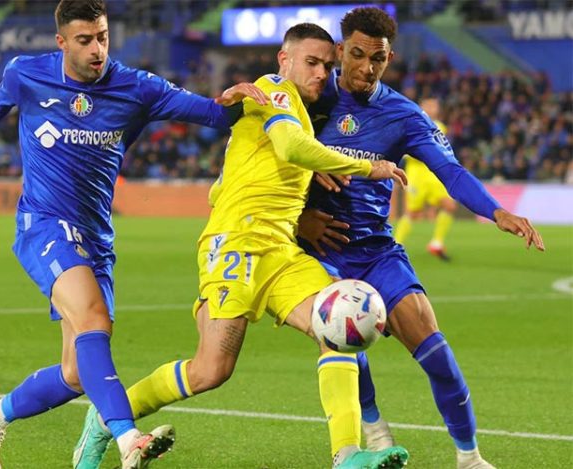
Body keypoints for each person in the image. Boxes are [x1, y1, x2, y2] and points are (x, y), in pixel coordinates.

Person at [0, 1, 268, 468]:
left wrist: (249, 94)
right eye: (84, 40)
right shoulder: (27, 75)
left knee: (78, 373)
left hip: (96, 238)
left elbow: (217, 116)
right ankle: (127, 440)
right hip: (43, 224)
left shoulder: (137, 88)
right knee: (93, 320)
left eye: (102, 37)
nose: (97, 49)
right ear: (61, 42)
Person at [72, 23, 410, 469]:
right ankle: (105, 421)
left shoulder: (305, 113)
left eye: (327, 66)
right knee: (210, 370)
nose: (320, 73)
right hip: (236, 244)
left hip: (281, 252)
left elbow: (293, 153)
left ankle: (347, 454)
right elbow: (291, 148)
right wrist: (368, 167)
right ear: (283, 60)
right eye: (311, 62)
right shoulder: (275, 90)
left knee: (339, 328)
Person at [298, 8, 545, 469]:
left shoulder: (402, 114)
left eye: (379, 59)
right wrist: (299, 222)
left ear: (389, 59)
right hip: (318, 252)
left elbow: (449, 170)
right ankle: (374, 432)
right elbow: (263, 163)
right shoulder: (305, 101)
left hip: (375, 250)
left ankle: (469, 458)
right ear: (338, 51)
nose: (366, 68)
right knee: (342, 336)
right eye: (356, 55)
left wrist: (496, 210)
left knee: (435, 351)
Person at [392, 97, 457, 261]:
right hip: (417, 175)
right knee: (413, 213)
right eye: (428, 105)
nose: (432, 108)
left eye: (434, 105)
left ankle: (436, 243)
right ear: (420, 107)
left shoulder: (440, 127)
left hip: (434, 174)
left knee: (449, 205)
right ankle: (395, 245)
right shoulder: (409, 124)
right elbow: (405, 151)